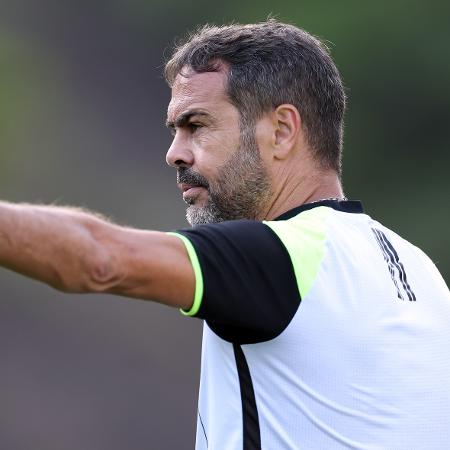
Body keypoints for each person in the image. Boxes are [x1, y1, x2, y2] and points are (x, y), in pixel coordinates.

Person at [0, 19, 449, 450]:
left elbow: (99, 259)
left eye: (196, 125)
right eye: (174, 130)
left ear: (281, 130)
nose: (174, 153)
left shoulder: (283, 256)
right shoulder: (420, 271)